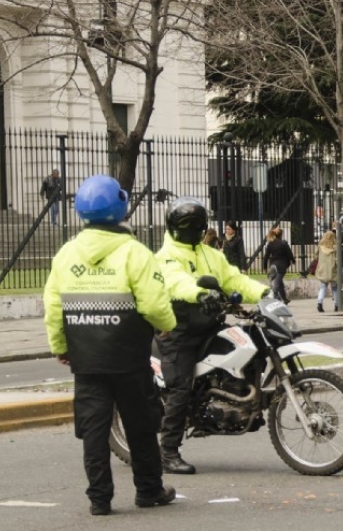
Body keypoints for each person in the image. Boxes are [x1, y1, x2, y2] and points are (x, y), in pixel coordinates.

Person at [43, 174, 177, 516]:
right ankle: (149, 490)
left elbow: (53, 307)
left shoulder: (66, 254)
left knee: (93, 429)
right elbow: (153, 302)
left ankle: (99, 499)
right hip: (129, 356)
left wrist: (60, 346)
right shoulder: (135, 252)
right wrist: (166, 327)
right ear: (120, 207)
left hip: (86, 358)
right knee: (141, 424)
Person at [155, 198, 269, 475]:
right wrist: (200, 294)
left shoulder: (211, 254)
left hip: (208, 326)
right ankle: (168, 451)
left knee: (252, 345)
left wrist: (265, 293)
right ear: (173, 228)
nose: (192, 231)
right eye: (186, 227)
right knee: (180, 387)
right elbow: (175, 281)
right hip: (178, 330)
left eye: (196, 226)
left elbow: (234, 279)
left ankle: (240, 401)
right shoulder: (166, 256)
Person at [264, 227, 295, 303]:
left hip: (273, 265)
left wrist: (265, 267)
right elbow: (289, 253)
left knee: (280, 282)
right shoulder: (283, 243)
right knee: (277, 282)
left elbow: (266, 256)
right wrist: (293, 260)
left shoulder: (270, 244)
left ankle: (285, 299)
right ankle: (274, 294)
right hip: (281, 265)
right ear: (281, 235)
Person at [315, 230, 339, 312]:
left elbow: (316, 255)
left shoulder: (320, 246)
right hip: (333, 270)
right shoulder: (335, 248)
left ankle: (319, 303)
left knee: (323, 287)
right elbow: (338, 259)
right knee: (335, 288)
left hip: (323, 269)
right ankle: (336, 305)